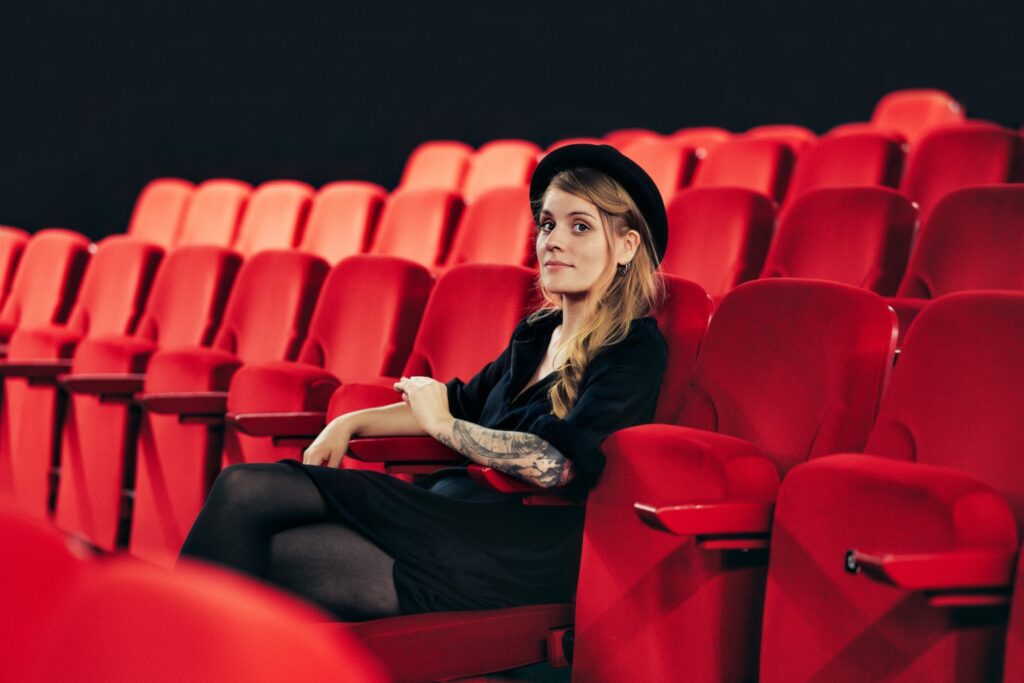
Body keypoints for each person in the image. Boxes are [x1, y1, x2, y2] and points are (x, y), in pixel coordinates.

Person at [179, 144, 670, 620]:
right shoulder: (538, 333)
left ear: (627, 246)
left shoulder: (632, 346)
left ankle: (167, 648)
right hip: (450, 515)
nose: (553, 241)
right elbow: (459, 402)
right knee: (260, 539)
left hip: (511, 549)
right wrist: (347, 424)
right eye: (547, 224)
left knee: (247, 493)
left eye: (579, 226)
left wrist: (446, 429)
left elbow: (557, 466)